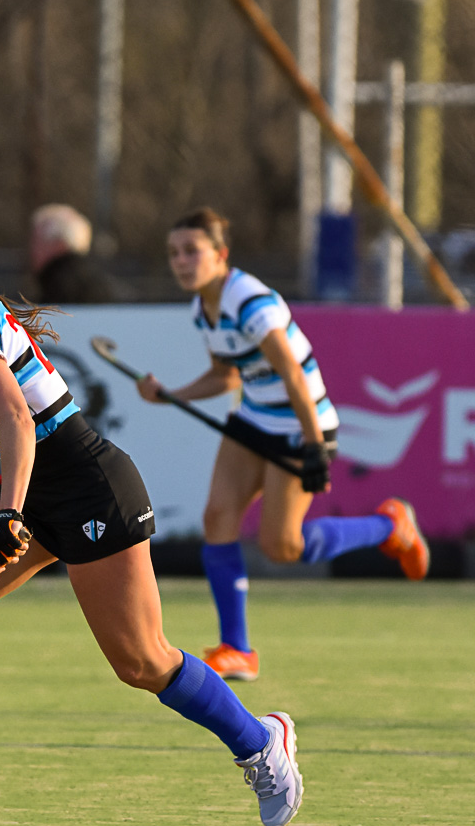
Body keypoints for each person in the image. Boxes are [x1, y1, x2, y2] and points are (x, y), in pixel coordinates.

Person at [0, 210, 303, 826]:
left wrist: (9, 513)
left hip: (90, 490)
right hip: (39, 490)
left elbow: (18, 419)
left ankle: (260, 741)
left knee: (142, 663)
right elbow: (10, 413)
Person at [137, 208, 429, 683]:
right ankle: (238, 649)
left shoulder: (250, 302)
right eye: (174, 253)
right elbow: (227, 374)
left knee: (283, 546)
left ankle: (389, 525)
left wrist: (315, 447)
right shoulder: (202, 310)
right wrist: (172, 393)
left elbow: (293, 373)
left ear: (220, 255)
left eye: (192, 251)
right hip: (255, 420)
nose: (182, 262)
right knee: (217, 518)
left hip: (299, 428)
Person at [29, 204, 113, 304]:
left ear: (58, 243)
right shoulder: (104, 284)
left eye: (37, 241)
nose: (31, 250)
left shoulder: (59, 289)